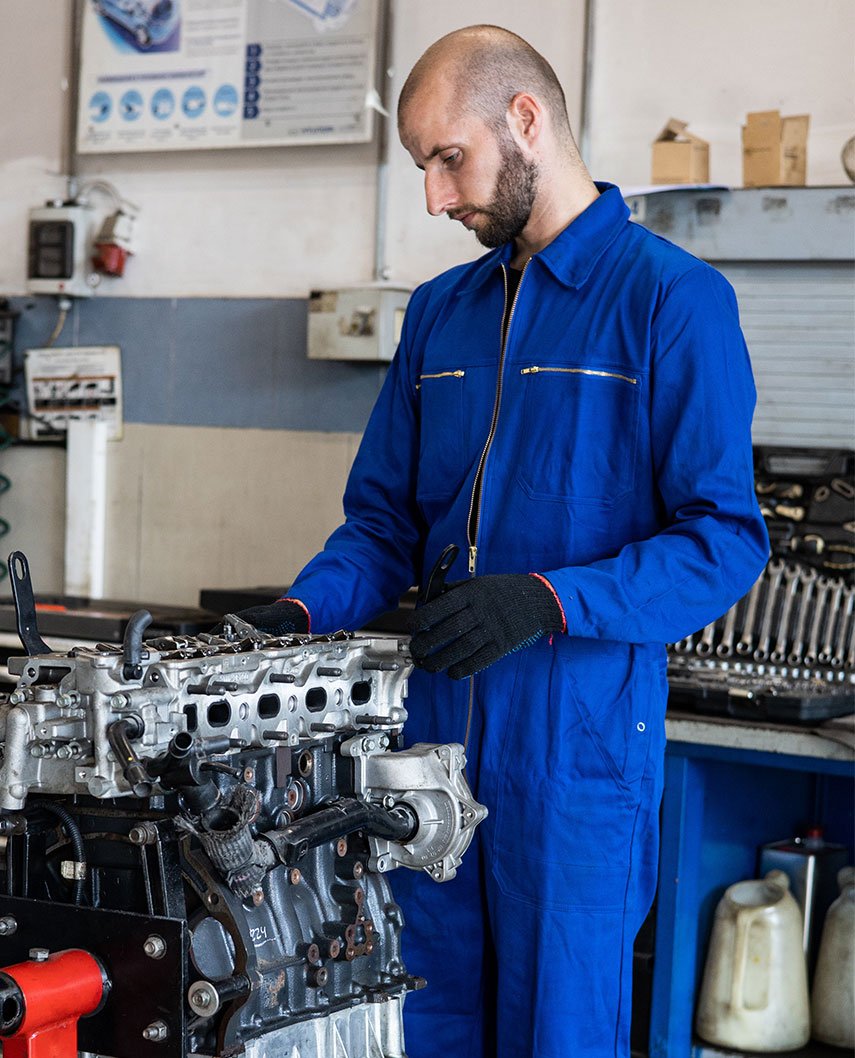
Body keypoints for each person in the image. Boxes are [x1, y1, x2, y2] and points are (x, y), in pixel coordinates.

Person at [230, 25, 769, 1058]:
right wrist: (300, 609)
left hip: (577, 765)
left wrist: (550, 600)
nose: (436, 198)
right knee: (416, 1019)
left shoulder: (670, 300)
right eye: (424, 167)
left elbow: (724, 542)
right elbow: (383, 522)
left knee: (559, 1035)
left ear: (525, 121)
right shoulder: (440, 314)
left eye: (449, 159)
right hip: (426, 756)